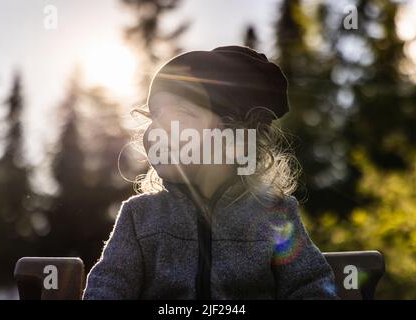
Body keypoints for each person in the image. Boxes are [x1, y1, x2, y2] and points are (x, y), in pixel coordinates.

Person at [83, 45, 338, 299]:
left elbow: (309, 286)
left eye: (182, 114)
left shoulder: (275, 216)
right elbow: (108, 286)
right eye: (156, 115)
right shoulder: (139, 218)